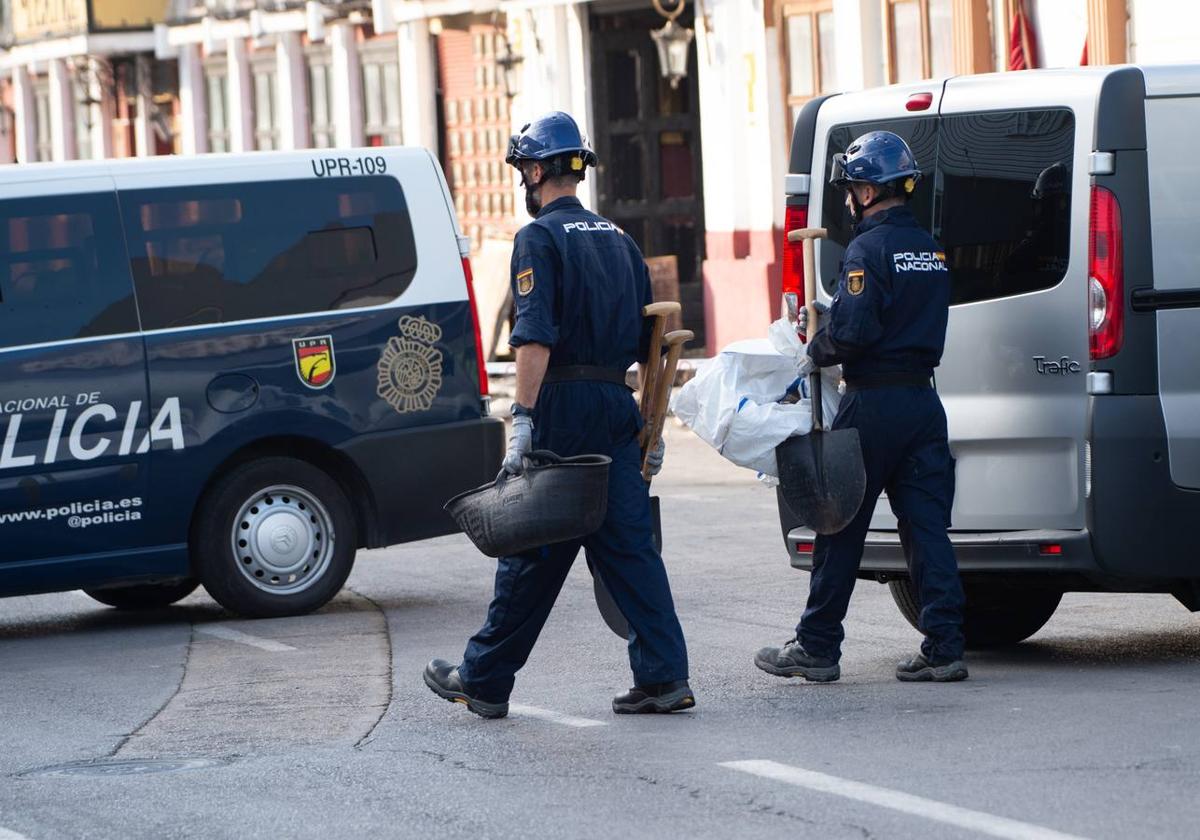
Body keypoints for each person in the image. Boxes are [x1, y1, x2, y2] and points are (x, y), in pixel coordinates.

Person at [424, 111, 694, 718]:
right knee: (629, 549)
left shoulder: (538, 239)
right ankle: (664, 676)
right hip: (614, 404)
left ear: (539, 169)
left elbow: (535, 337)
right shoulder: (621, 241)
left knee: (533, 547)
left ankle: (485, 678)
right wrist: (646, 426)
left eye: (524, 168)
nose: (524, 179)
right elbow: (648, 339)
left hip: (564, 405)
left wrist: (523, 416)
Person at [755, 131, 968, 684]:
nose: (849, 199)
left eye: (852, 189)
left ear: (870, 191)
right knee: (926, 530)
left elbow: (855, 330)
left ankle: (818, 646)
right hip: (923, 402)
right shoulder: (932, 248)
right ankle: (945, 646)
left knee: (838, 523)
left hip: (873, 403)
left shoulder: (867, 250)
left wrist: (813, 350)